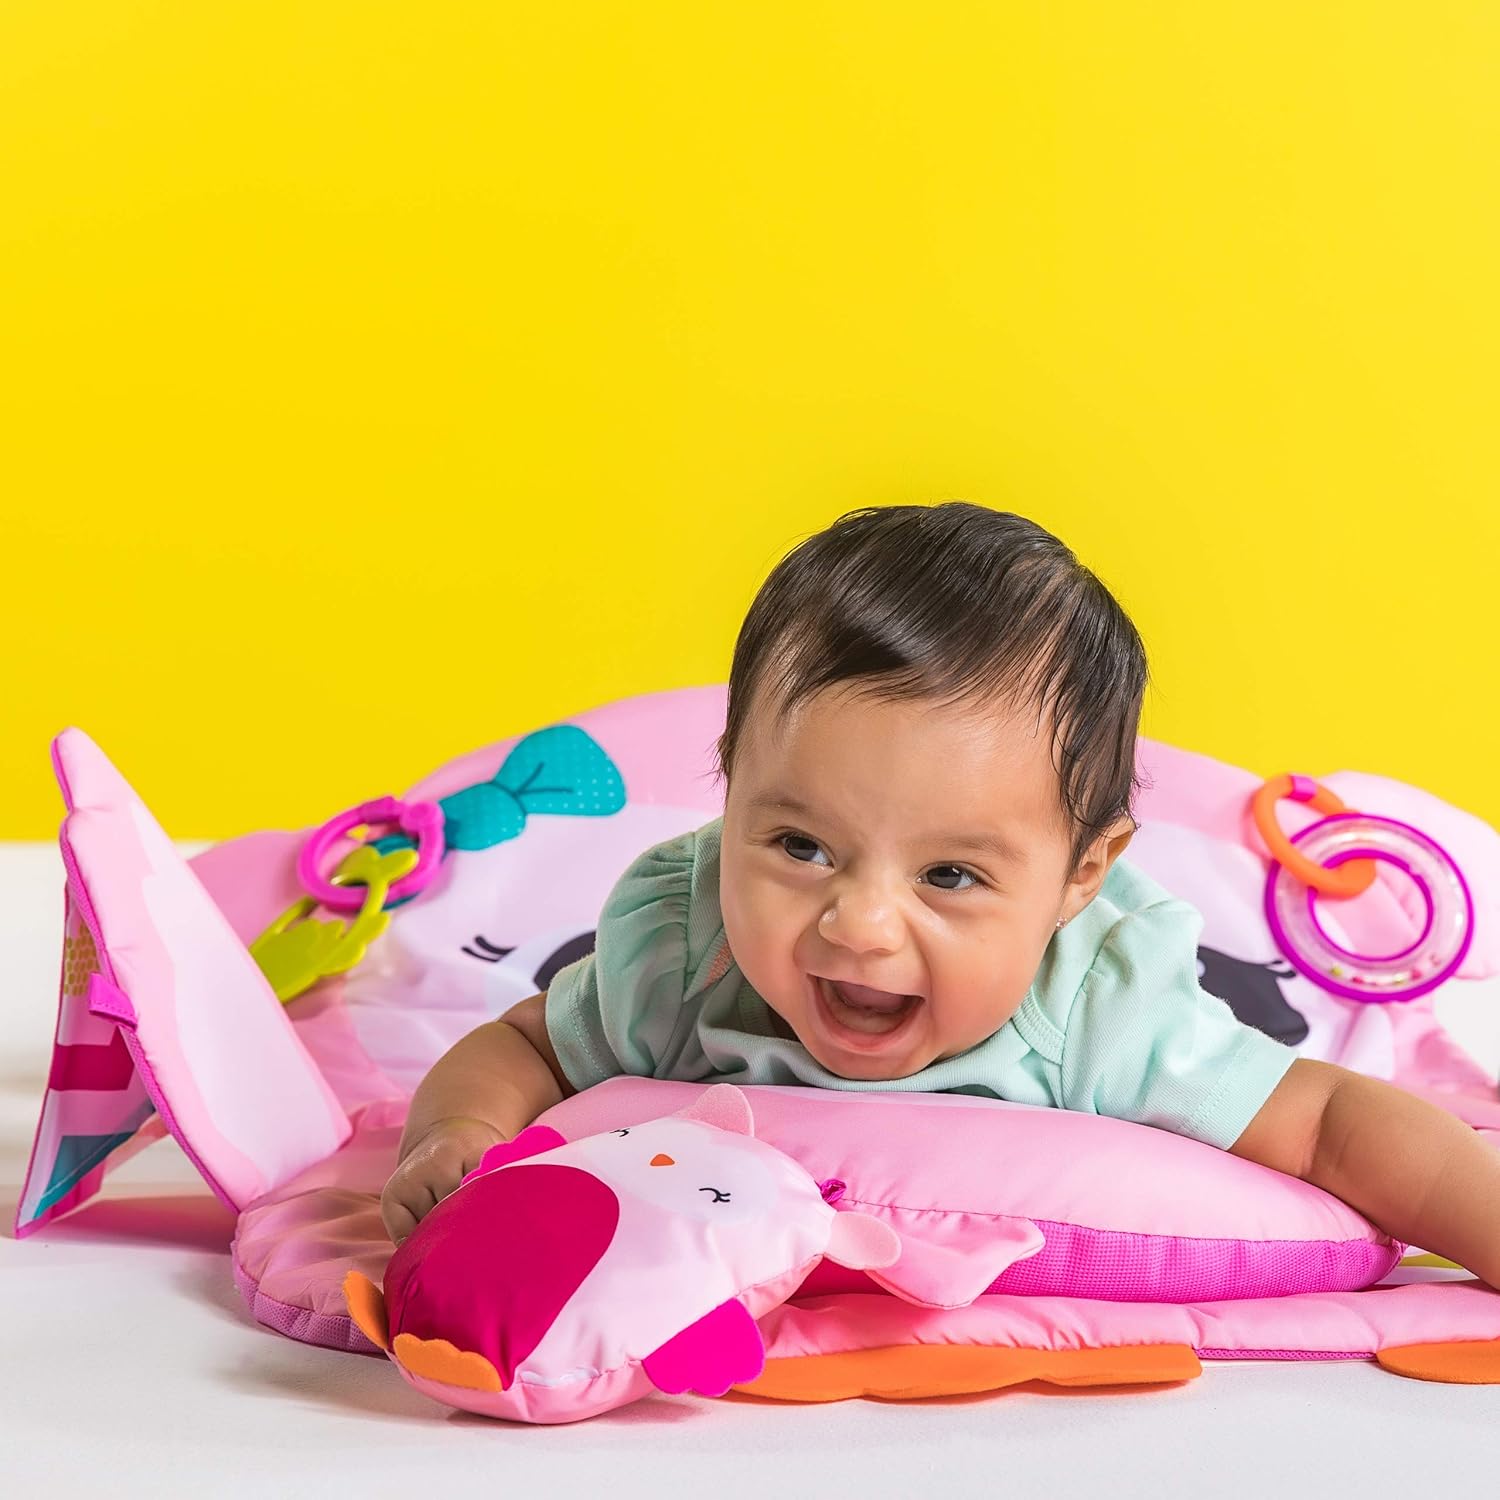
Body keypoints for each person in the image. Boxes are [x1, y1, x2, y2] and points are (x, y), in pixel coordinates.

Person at [380, 503, 1500, 1287]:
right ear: (729, 796)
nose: (858, 926)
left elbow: (1338, 1123)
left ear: (1079, 881)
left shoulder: (1101, 1015)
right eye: (799, 844)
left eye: (950, 876)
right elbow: (525, 1044)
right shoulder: (686, 957)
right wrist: (457, 1134)